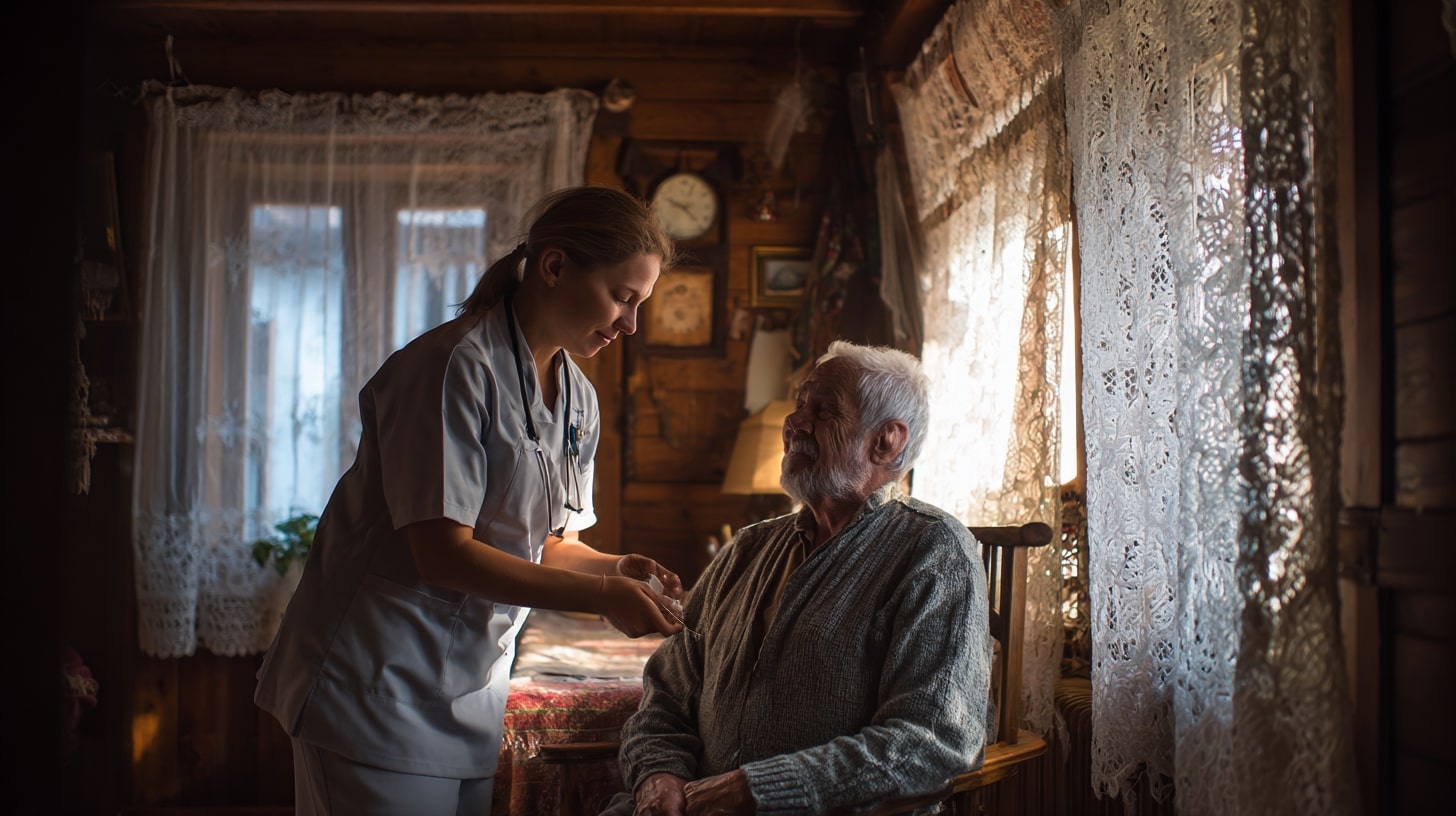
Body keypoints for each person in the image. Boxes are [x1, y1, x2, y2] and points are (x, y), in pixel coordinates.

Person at [254, 185, 689, 816]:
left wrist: (615, 569)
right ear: (556, 265)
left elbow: (548, 545)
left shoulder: (578, 399)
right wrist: (601, 598)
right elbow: (444, 555)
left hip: (467, 689)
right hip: (374, 683)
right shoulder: (450, 366)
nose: (630, 323)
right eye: (623, 297)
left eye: (640, 303)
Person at [607, 341, 992, 815]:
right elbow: (668, 688)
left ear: (886, 440)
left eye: (824, 411)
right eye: (799, 405)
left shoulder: (933, 551)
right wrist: (657, 775)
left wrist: (758, 789)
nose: (794, 423)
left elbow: (932, 740)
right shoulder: (750, 547)